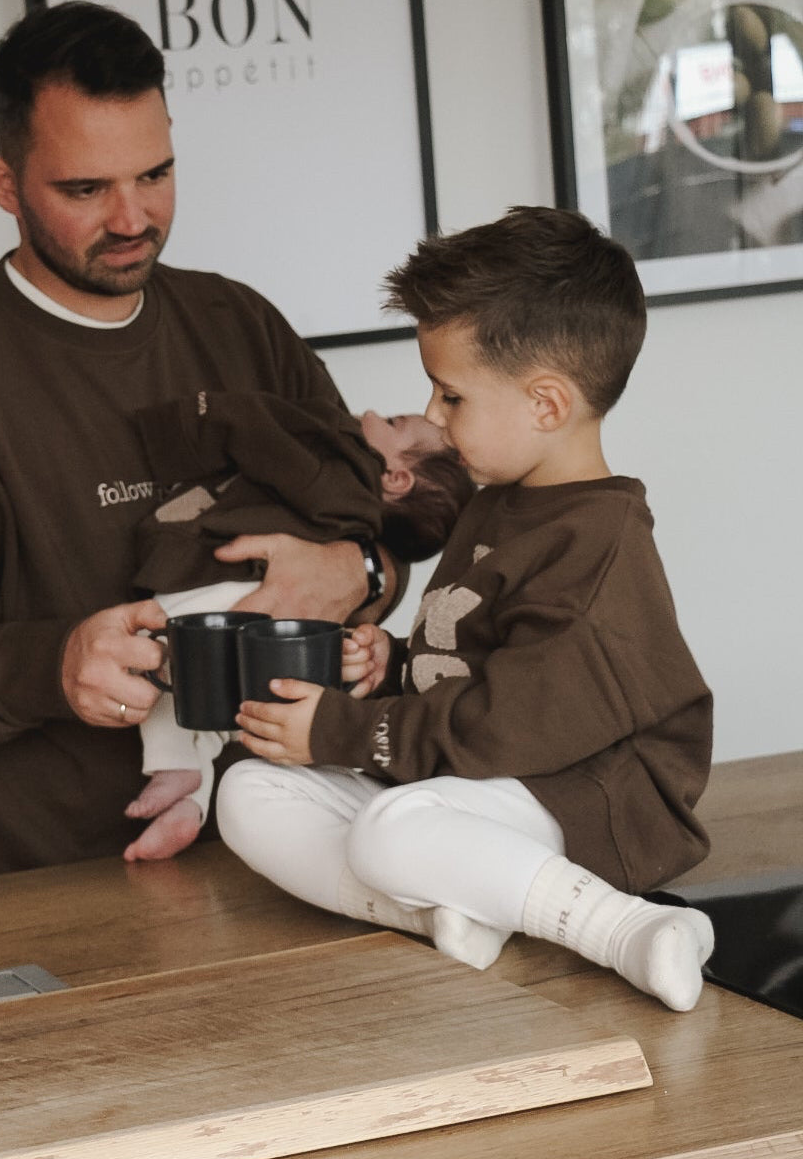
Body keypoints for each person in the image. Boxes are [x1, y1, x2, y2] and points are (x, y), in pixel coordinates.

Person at [0, 0, 401, 879]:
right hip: (62, 884)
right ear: (2, 182)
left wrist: (362, 573)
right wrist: (54, 667)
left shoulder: (242, 327)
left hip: (307, 853)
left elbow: (380, 531)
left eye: (156, 174)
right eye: (86, 189)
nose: (133, 218)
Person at [216, 206, 716, 1011]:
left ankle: (625, 929)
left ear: (546, 405)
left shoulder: (595, 545)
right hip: (482, 781)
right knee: (246, 795)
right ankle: (448, 910)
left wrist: (345, 729)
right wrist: (391, 670)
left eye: (451, 395)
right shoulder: (496, 503)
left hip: (582, 796)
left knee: (391, 830)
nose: (436, 417)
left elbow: (508, 725)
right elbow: (466, 664)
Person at [122, 388, 473, 862]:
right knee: (220, 702)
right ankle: (192, 801)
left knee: (164, 653)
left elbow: (267, 443)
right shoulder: (358, 518)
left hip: (238, 591)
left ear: (395, 476)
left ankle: (175, 768)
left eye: (391, 422)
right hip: (267, 615)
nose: (368, 412)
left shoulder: (337, 469)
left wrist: (197, 417)